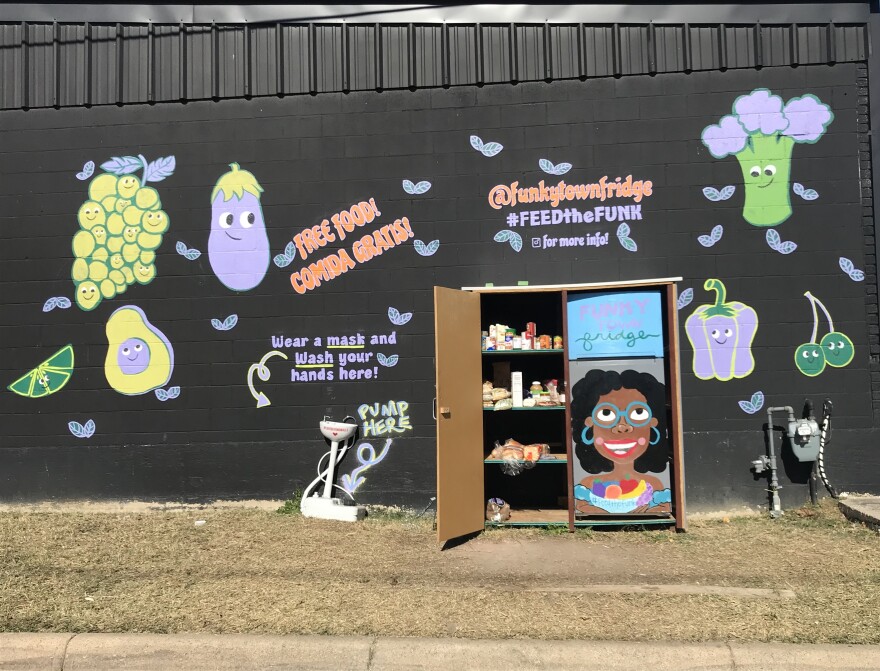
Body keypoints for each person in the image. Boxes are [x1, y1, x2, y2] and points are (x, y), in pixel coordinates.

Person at [570, 369, 672, 514]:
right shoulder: (587, 485)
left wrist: (653, 508)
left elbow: (664, 507)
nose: (622, 427)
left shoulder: (654, 484)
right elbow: (582, 506)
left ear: (653, 423)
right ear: (589, 424)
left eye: (638, 412)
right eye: (606, 413)